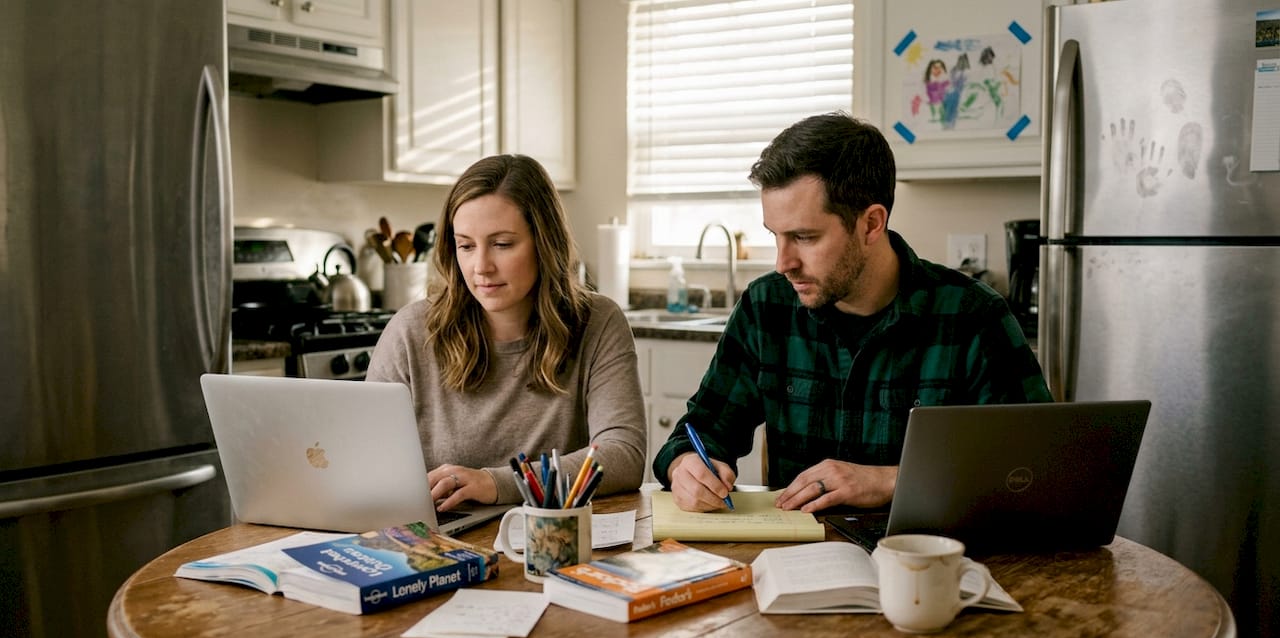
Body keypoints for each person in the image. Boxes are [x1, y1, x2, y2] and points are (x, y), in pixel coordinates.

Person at [653, 112, 1051, 513]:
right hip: (799, 564)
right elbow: (699, 432)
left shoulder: (971, 316)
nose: (783, 262)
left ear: (871, 224)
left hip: (927, 561)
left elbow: (1038, 466)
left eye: (804, 237)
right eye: (776, 236)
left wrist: (892, 479)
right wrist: (684, 465)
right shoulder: (765, 307)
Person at [367, 154, 646, 511]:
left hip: (548, 538)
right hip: (436, 537)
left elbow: (623, 454)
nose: (481, 266)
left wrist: (496, 483)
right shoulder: (410, 331)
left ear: (545, 243)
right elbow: (367, 458)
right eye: (466, 246)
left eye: (502, 244)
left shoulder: (598, 322)